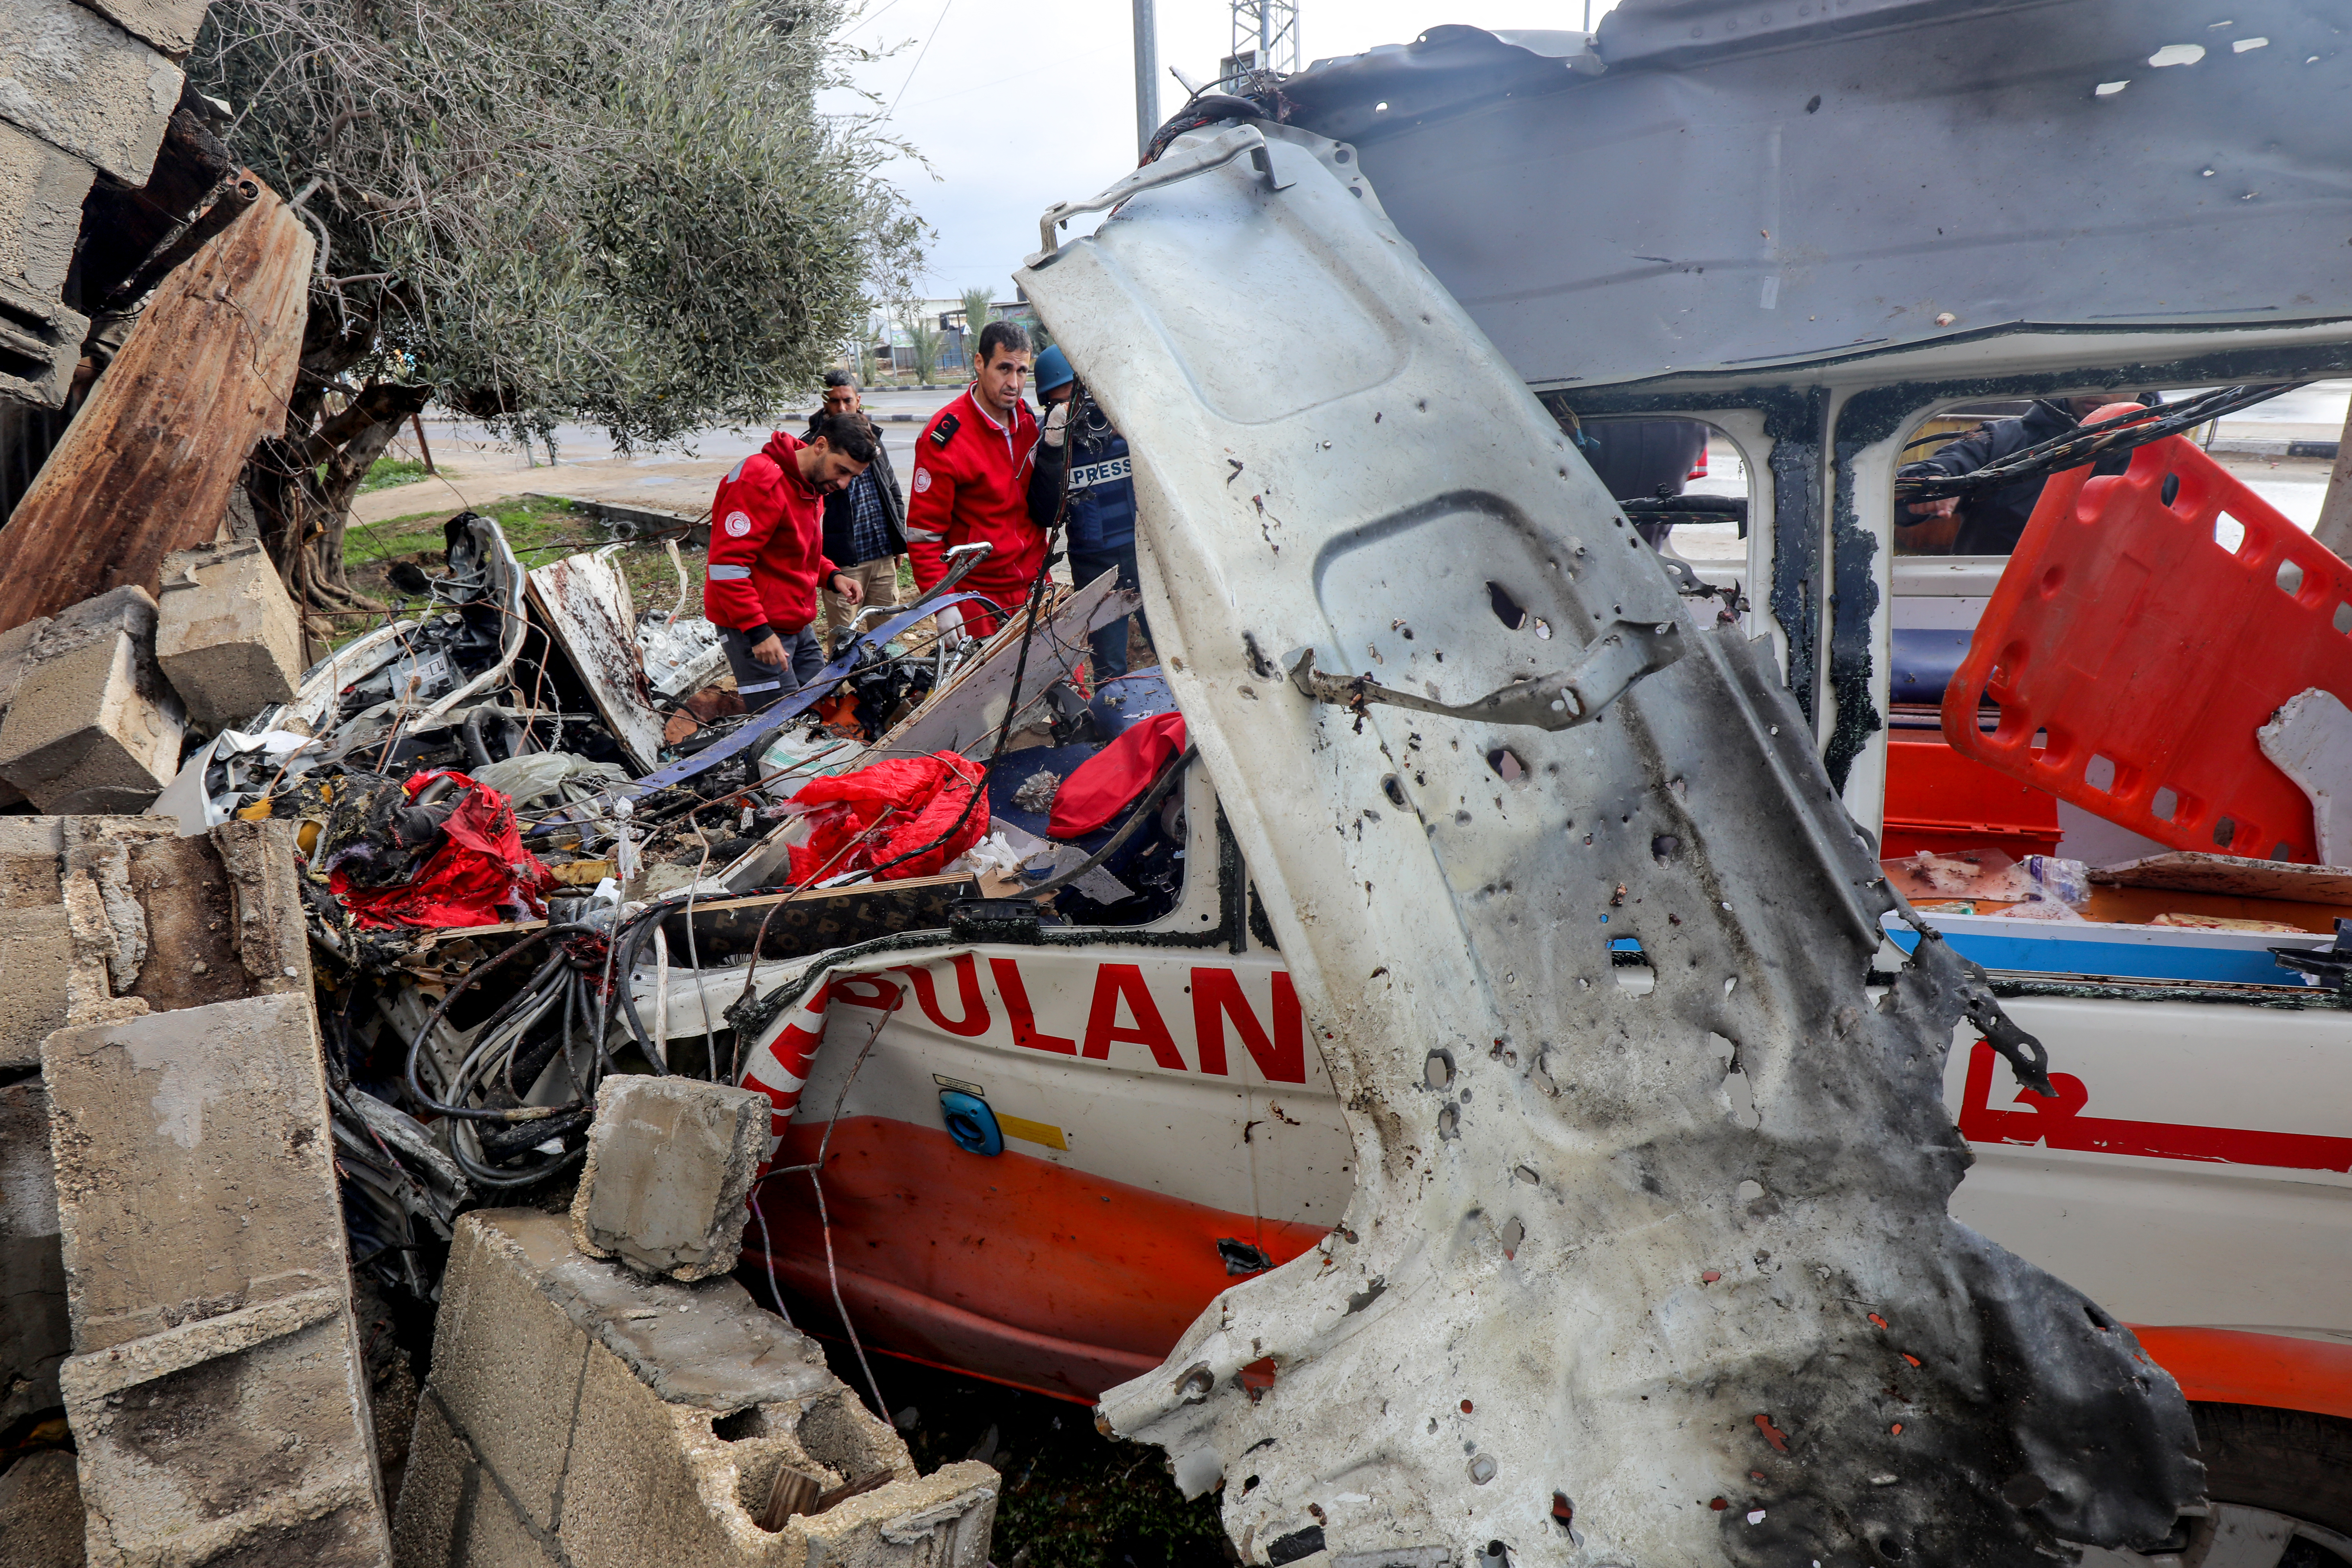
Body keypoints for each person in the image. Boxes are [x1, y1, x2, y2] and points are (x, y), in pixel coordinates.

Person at [703, 411, 875, 711]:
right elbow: (727, 566)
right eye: (842, 470)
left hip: (795, 621)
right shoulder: (760, 481)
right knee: (778, 723)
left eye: (852, 477)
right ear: (820, 445)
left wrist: (834, 576)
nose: (844, 483)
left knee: (820, 704)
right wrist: (758, 633)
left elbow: (797, 553)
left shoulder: (813, 485)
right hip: (755, 627)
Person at [906, 320, 1042, 639]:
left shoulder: (1027, 421)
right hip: (977, 598)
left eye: (1022, 371)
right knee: (991, 688)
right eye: (1004, 368)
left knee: (1059, 682)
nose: (1014, 382)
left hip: (1034, 586)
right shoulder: (944, 438)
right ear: (979, 363)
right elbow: (923, 538)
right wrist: (942, 601)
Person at [1027, 346, 1152, 680]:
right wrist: (1053, 449)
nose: (1080, 414)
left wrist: (1137, 437)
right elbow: (1044, 515)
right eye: (1067, 406)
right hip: (1097, 572)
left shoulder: (1129, 424)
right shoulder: (1050, 443)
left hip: (1149, 560)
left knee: (1175, 656)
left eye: (1085, 400)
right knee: (1110, 670)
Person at [1897, 394, 2155, 556]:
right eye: (2088, 366)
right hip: (1980, 602)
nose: (2097, 384)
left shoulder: (2170, 460)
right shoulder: (1998, 439)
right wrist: (1928, 484)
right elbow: (1910, 486)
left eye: (2117, 372)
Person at [807, 371, 907, 655]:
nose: (841, 408)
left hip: (882, 554)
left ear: (858, 400)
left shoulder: (872, 438)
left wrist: (897, 538)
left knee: (889, 635)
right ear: (825, 402)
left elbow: (892, 489)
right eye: (834, 401)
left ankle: (892, 696)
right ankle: (842, 695)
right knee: (844, 641)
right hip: (842, 563)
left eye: (847, 400)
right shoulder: (816, 445)